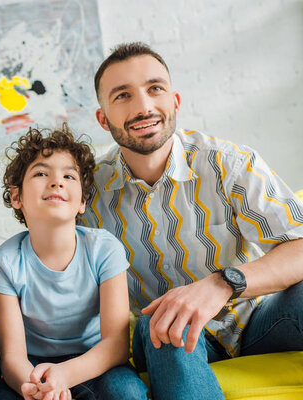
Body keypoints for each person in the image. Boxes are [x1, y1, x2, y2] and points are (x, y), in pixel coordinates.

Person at [83, 41, 303, 399]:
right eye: (123, 95)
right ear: (102, 118)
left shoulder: (227, 163)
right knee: (168, 319)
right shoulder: (89, 193)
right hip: (166, 337)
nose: (144, 107)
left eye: (155, 89)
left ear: (175, 101)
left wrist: (222, 283)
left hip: (256, 321)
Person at [0, 124, 149, 400]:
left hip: (96, 362)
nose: (56, 181)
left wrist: (64, 375)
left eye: (68, 175)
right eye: (41, 173)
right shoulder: (5, 262)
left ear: (82, 202)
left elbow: (115, 345)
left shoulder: (105, 249)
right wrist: (33, 388)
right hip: (32, 366)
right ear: (16, 197)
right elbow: (12, 356)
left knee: (126, 392)